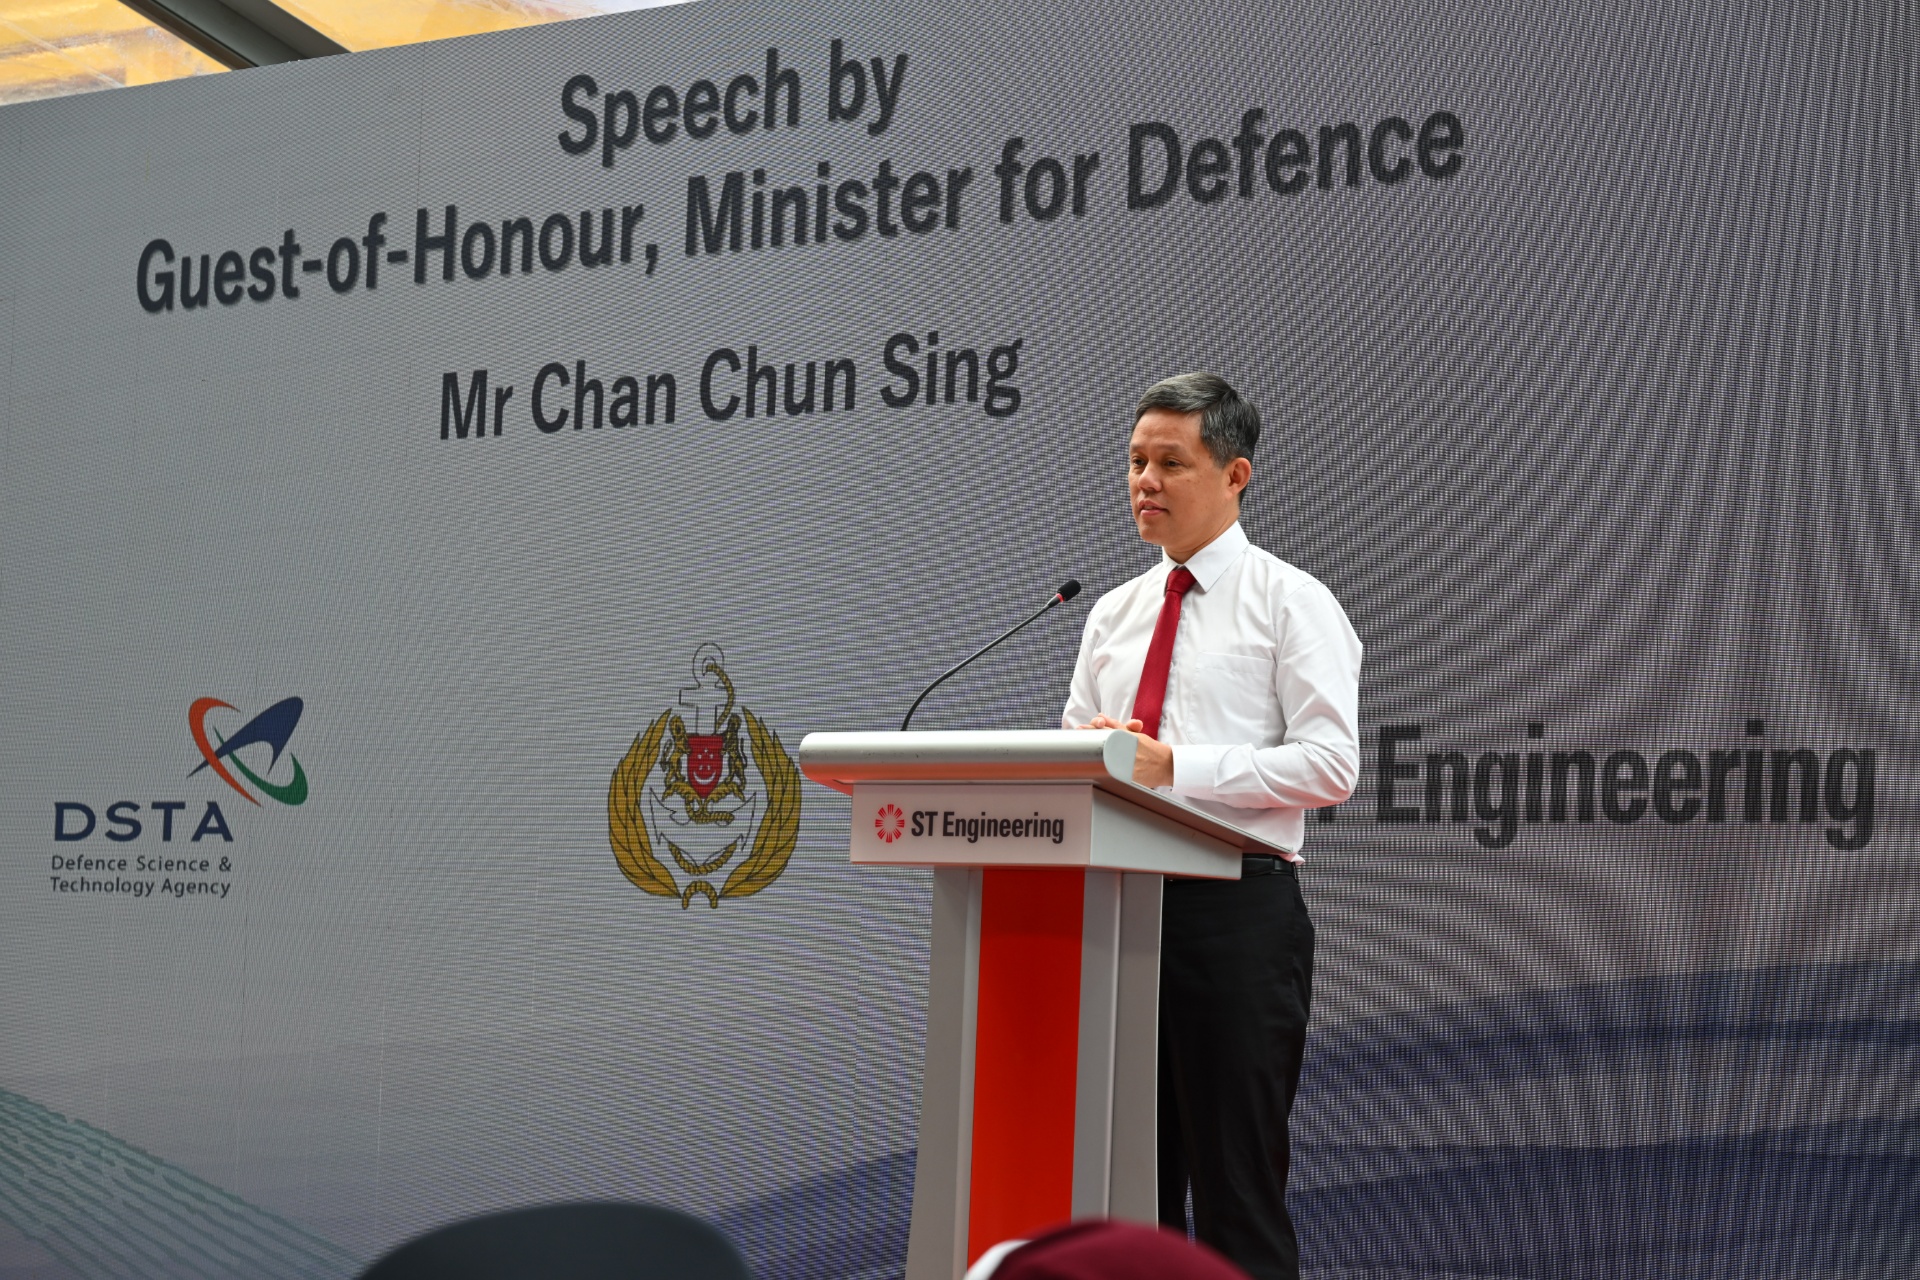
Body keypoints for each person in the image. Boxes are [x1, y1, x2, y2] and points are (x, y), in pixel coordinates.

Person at [1062, 372, 1362, 1280]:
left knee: (1236, 1197)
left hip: (1235, 916)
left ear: (1235, 475)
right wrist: (1094, 755)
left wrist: (1175, 768)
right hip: (1118, 918)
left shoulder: (1291, 602)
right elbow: (1072, 758)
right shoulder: (1112, 614)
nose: (1144, 482)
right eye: (1134, 462)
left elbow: (1330, 765)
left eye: (1170, 463)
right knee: (1127, 1199)